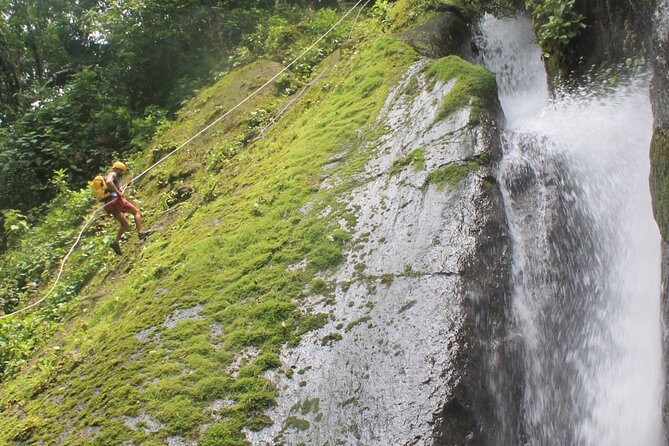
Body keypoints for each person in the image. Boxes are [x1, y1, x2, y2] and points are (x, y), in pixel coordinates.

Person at [103, 161, 149, 255]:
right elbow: (109, 183)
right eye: (122, 172)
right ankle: (141, 233)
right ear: (118, 170)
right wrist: (118, 192)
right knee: (136, 212)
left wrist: (124, 186)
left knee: (124, 224)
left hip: (109, 205)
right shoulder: (112, 174)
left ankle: (116, 243)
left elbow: (113, 189)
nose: (121, 174)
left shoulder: (109, 177)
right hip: (116, 202)